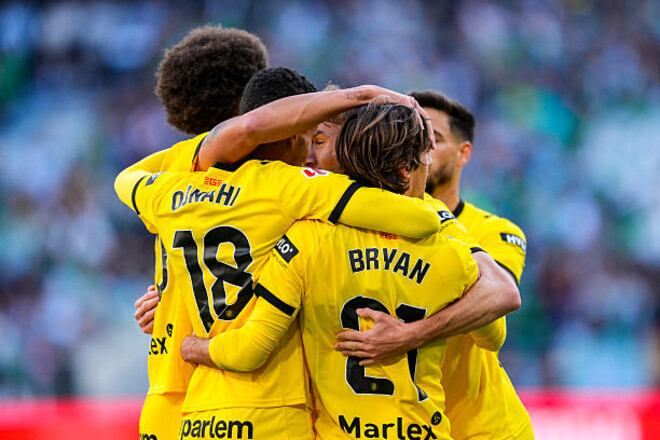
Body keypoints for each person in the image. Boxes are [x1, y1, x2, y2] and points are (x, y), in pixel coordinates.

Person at [115, 67, 452, 439]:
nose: (310, 154)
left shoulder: (167, 190)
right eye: (310, 138)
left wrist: (209, 147)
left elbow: (125, 179)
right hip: (272, 404)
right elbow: (417, 219)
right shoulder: (288, 188)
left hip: (195, 408)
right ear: (291, 134)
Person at [179, 101, 516, 439]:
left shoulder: (305, 238)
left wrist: (193, 343)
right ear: (406, 170)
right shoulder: (451, 250)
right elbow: (493, 333)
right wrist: (416, 331)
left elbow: (252, 345)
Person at [335, 90, 534, 439]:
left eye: (434, 138)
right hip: (410, 419)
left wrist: (408, 336)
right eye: (412, 136)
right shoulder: (366, 220)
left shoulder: (492, 231)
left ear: (463, 153)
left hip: (481, 425)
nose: (420, 146)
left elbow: (498, 298)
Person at [131, 25, 269, 440]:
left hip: (165, 391)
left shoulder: (165, 179)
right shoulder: (268, 183)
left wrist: (162, 303)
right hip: (238, 394)